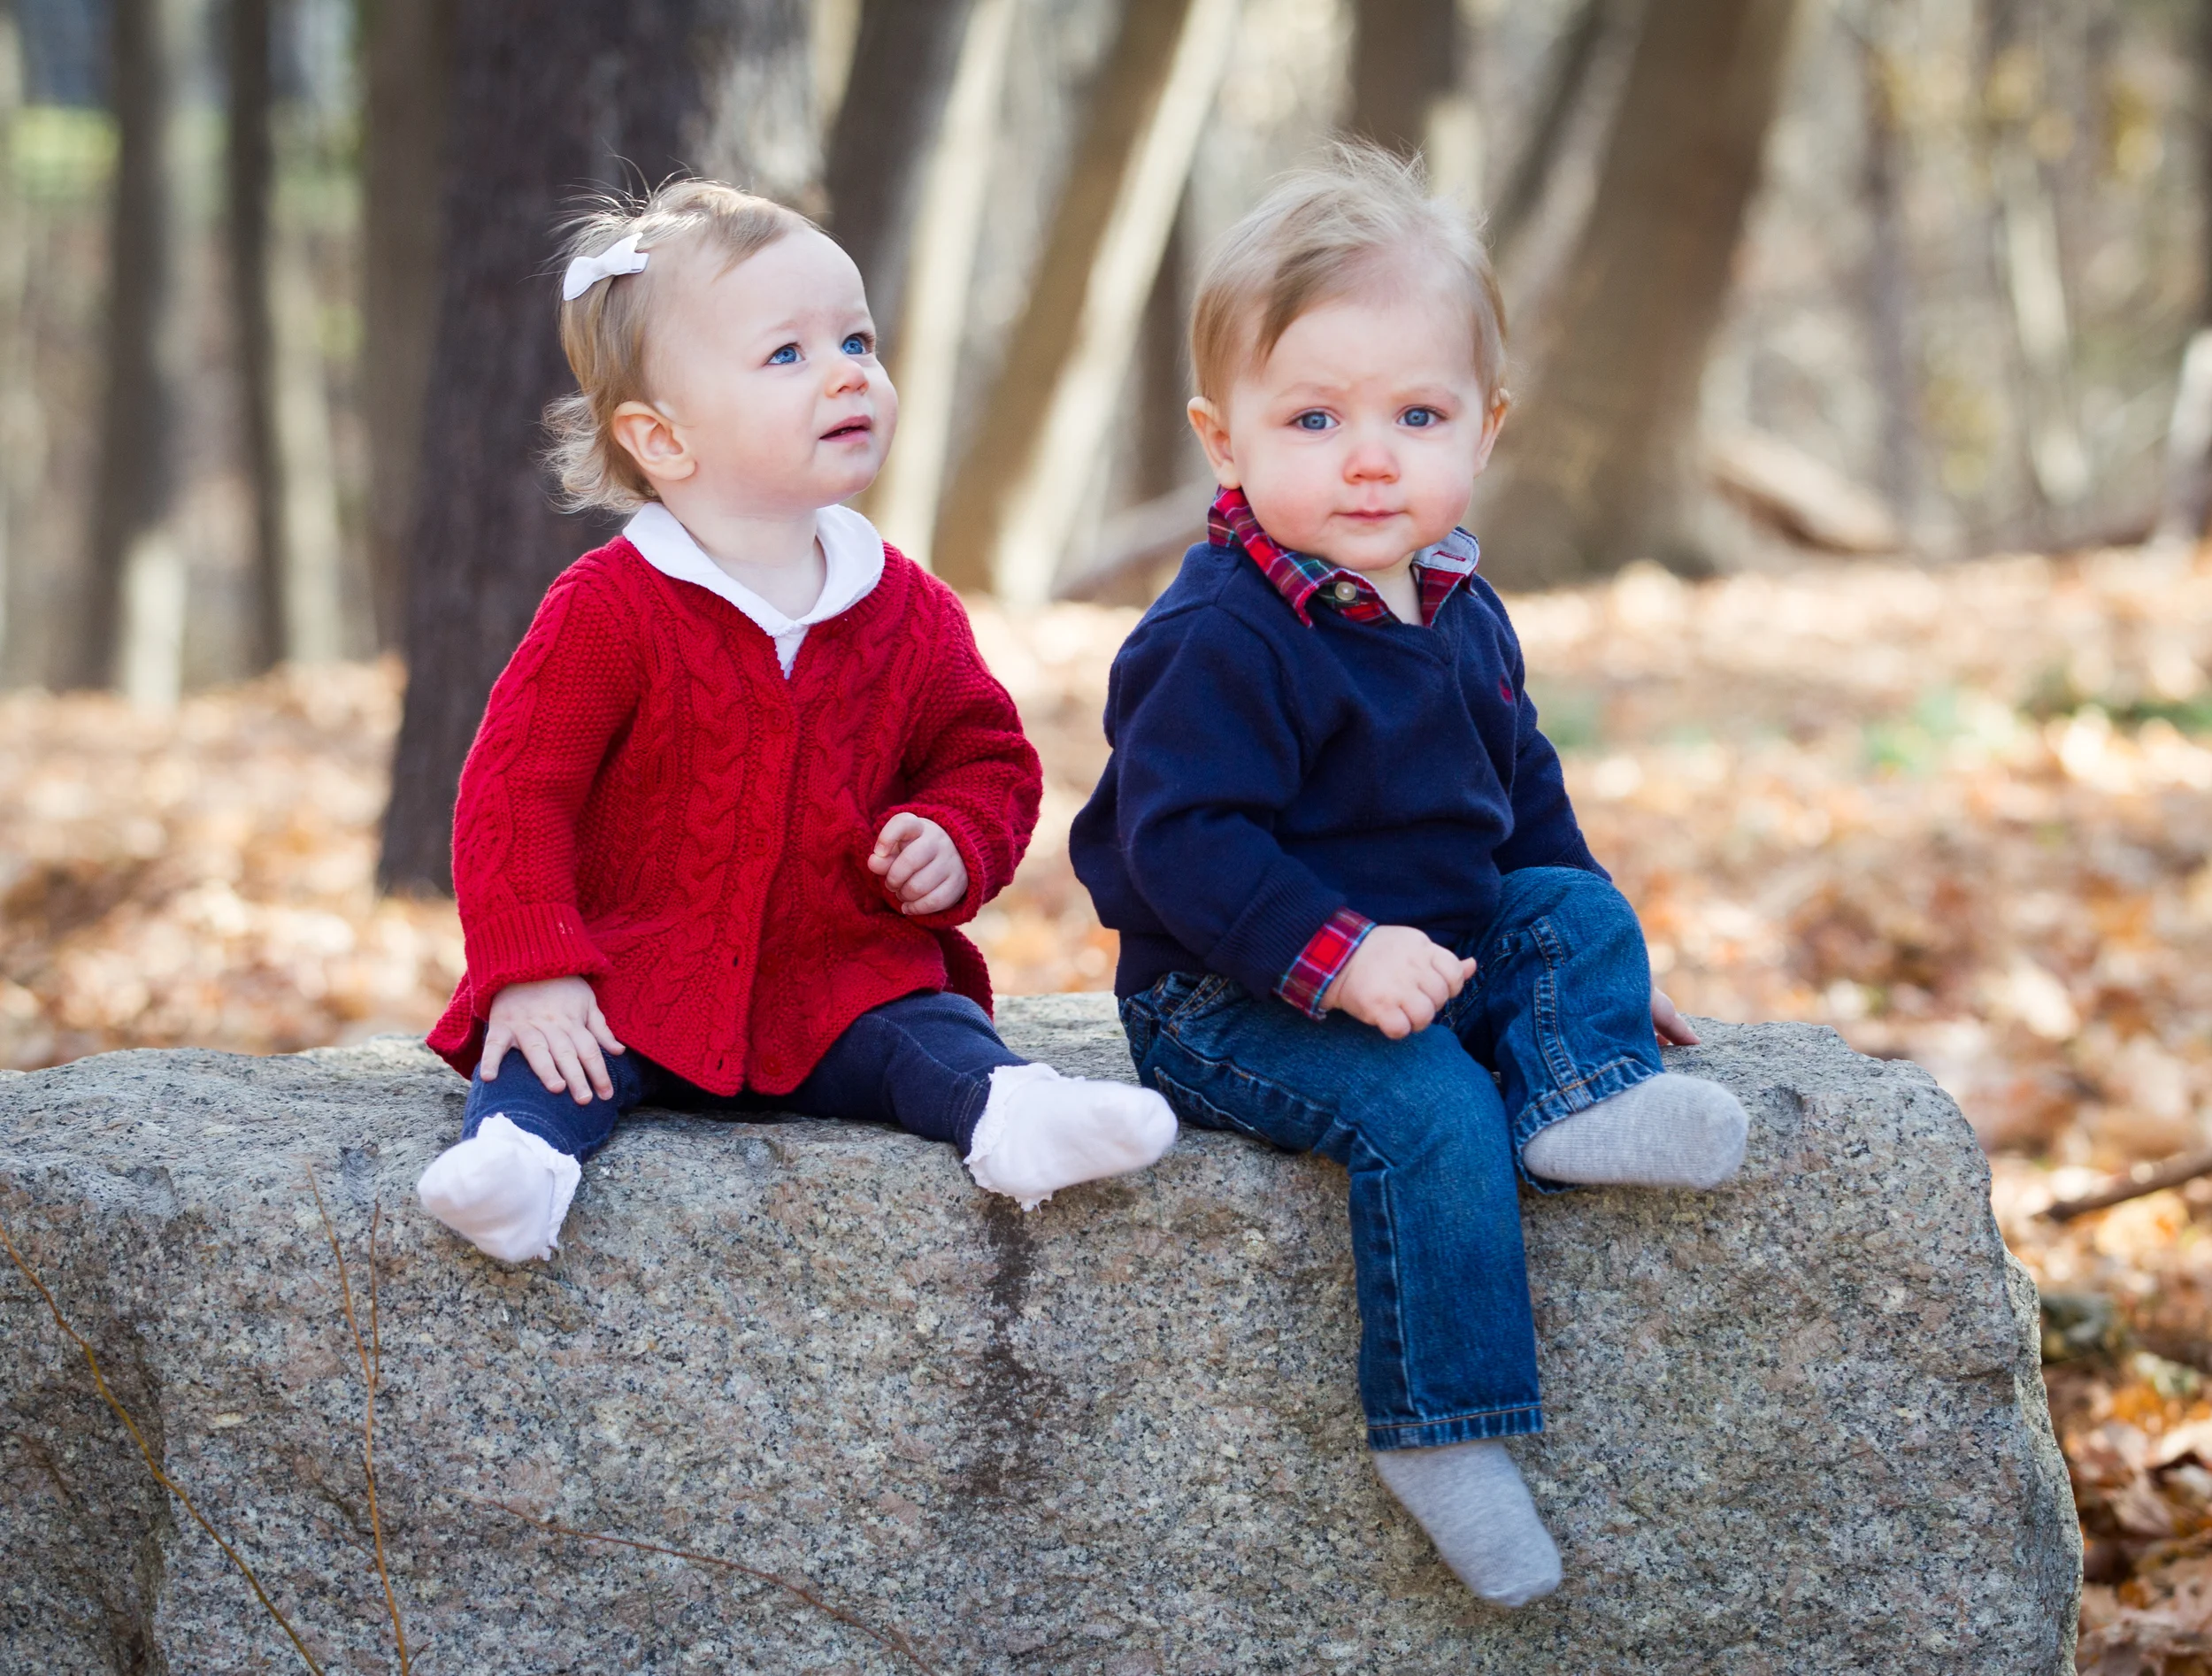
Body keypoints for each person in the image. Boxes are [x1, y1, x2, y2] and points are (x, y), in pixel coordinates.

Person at [1068, 146, 1748, 1609]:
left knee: (1575, 907)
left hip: (1425, 942)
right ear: (1225, 439)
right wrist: (1334, 951)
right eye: (1314, 416)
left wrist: (1588, 992)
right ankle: (1444, 1426)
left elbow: (1525, 806)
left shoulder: (1457, 603)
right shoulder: (1224, 636)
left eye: (1415, 413)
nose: (1369, 455)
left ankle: (1578, 1100)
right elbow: (1178, 848)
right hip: (1229, 983)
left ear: (1484, 428)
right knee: (1432, 1106)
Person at [417, 181, 1174, 1265]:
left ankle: (1016, 1116)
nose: (847, 371)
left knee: (936, 1035)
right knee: (547, 1054)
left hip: (842, 977)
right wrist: (534, 967)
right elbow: (516, 790)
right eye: (788, 355)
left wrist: (954, 836)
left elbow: (987, 755)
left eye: (857, 339)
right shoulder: (610, 608)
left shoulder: (902, 603)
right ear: (662, 439)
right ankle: (519, 1167)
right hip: (636, 971)